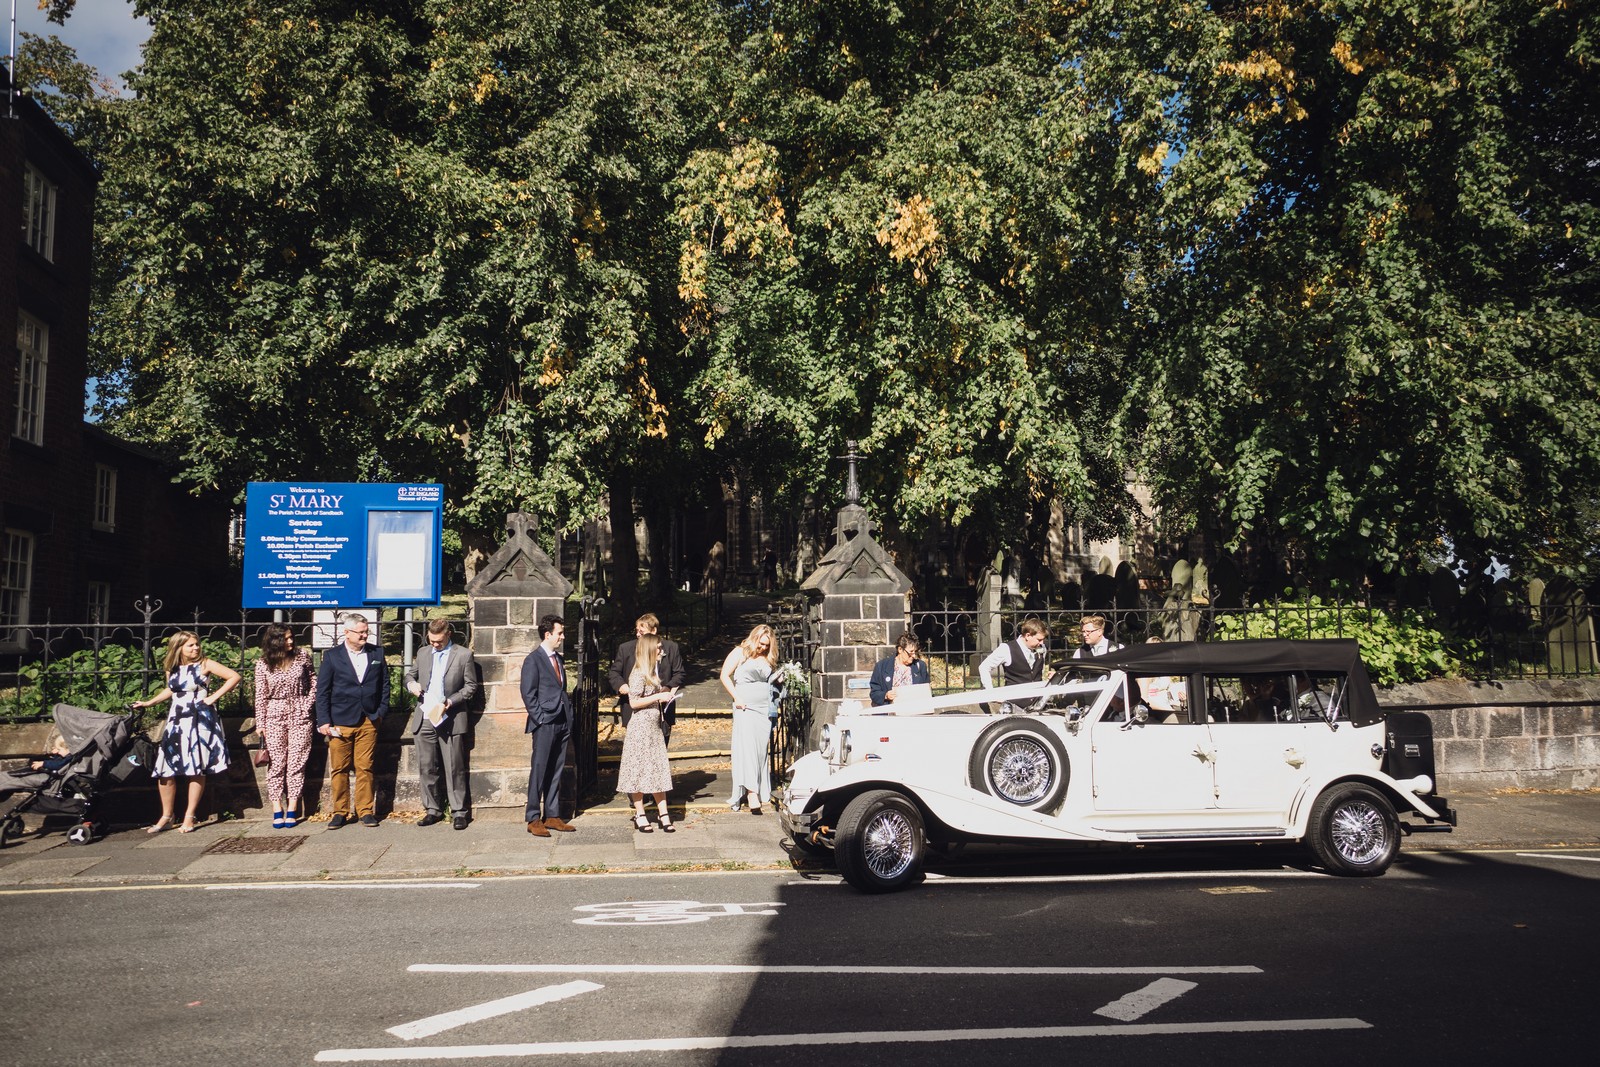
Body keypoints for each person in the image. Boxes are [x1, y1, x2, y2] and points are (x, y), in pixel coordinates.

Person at [134, 630, 241, 833]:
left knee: (196, 767)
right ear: (179, 648)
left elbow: (233, 676)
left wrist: (212, 698)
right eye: (190, 645)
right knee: (165, 770)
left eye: (196, 644)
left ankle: (189, 816)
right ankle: (167, 815)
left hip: (199, 720)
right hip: (176, 720)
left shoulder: (205, 664)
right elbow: (171, 690)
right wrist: (149, 702)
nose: (196, 648)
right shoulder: (172, 667)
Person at [314, 612, 390, 828]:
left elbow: (385, 684)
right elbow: (323, 691)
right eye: (361, 632)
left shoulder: (377, 653)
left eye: (367, 631)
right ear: (347, 633)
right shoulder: (332, 656)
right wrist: (324, 721)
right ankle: (340, 811)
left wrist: (380, 712)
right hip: (340, 721)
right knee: (339, 768)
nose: (365, 635)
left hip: (369, 719)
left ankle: (365, 810)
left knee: (365, 766)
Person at [404, 620, 479, 830]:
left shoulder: (463, 655)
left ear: (448, 635)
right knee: (426, 766)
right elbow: (410, 674)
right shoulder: (424, 653)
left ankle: (458, 812)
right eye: (431, 640)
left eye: (438, 641)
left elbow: (470, 686)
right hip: (425, 715)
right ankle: (432, 809)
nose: (434, 644)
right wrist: (411, 684)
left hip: (450, 717)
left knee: (454, 766)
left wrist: (451, 701)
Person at [254, 623, 316, 829]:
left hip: (299, 712)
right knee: (277, 763)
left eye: (291, 637)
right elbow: (261, 695)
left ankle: (293, 807)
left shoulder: (302, 656)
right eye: (285, 638)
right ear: (274, 641)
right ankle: (276, 807)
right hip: (274, 713)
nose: (290, 641)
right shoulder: (263, 663)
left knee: (297, 761)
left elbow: (314, 681)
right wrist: (260, 722)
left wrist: (306, 705)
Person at [521, 613, 576, 837]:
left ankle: (552, 815)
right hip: (545, 722)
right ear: (548, 634)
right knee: (540, 770)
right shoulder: (533, 660)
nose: (562, 637)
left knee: (556, 769)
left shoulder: (558, 659)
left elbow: (559, 688)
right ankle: (533, 817)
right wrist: (540, 718)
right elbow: (528, 693)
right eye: (559, 633)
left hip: (562, 720)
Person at [617, 632, 677, 833]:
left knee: (657, 769)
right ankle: (640, 814)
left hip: (653, 728)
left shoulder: (653, 672)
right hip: (640, 728)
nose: (662, 651)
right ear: (650, 650)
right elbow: (634, 702)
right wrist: (658, 696)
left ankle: (663, 813)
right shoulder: (638, 673)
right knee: (639, 770)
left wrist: (664, 697)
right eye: (659, 648)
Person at [720, 624, 778, 813]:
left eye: (766, 646)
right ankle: (751, 792)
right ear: (754, 638)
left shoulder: (768, 658)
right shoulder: (739, 652)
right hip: (744, 705)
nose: (763, 648)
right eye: (761, 644)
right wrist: (737, 698)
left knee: (761, 751)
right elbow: (724, 676)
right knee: (748, 749)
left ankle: (759, 788)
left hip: (764, 709)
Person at [608, 613, 685, 745]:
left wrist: (667, 688)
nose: (638, 634)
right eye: (637, 631)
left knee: (660, 747)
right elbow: (614, 673)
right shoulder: (626, 649)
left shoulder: (670, 648)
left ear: (653, 630)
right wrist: (621, 686)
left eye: (641, 631)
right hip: (635, 711)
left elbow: (679, 673)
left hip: (662, 709)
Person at [978, 618, 1048, 714]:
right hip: (1015, 707)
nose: (1042, 643)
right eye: (1039, 639)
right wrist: (991, 693)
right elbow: (984, 667)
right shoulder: (1006, 649)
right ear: (1027, 635)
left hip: (1038, 706)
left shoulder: (1042, 648)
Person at [869, 632, 931, 707]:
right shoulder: (882, 666)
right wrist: (885, 695)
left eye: (915, 652)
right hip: (890, 713)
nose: (914, 656)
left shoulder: (920, 666)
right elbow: (874, 693)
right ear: (900, 649)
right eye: (911, 652)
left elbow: (926, 692)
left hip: (914, 712)